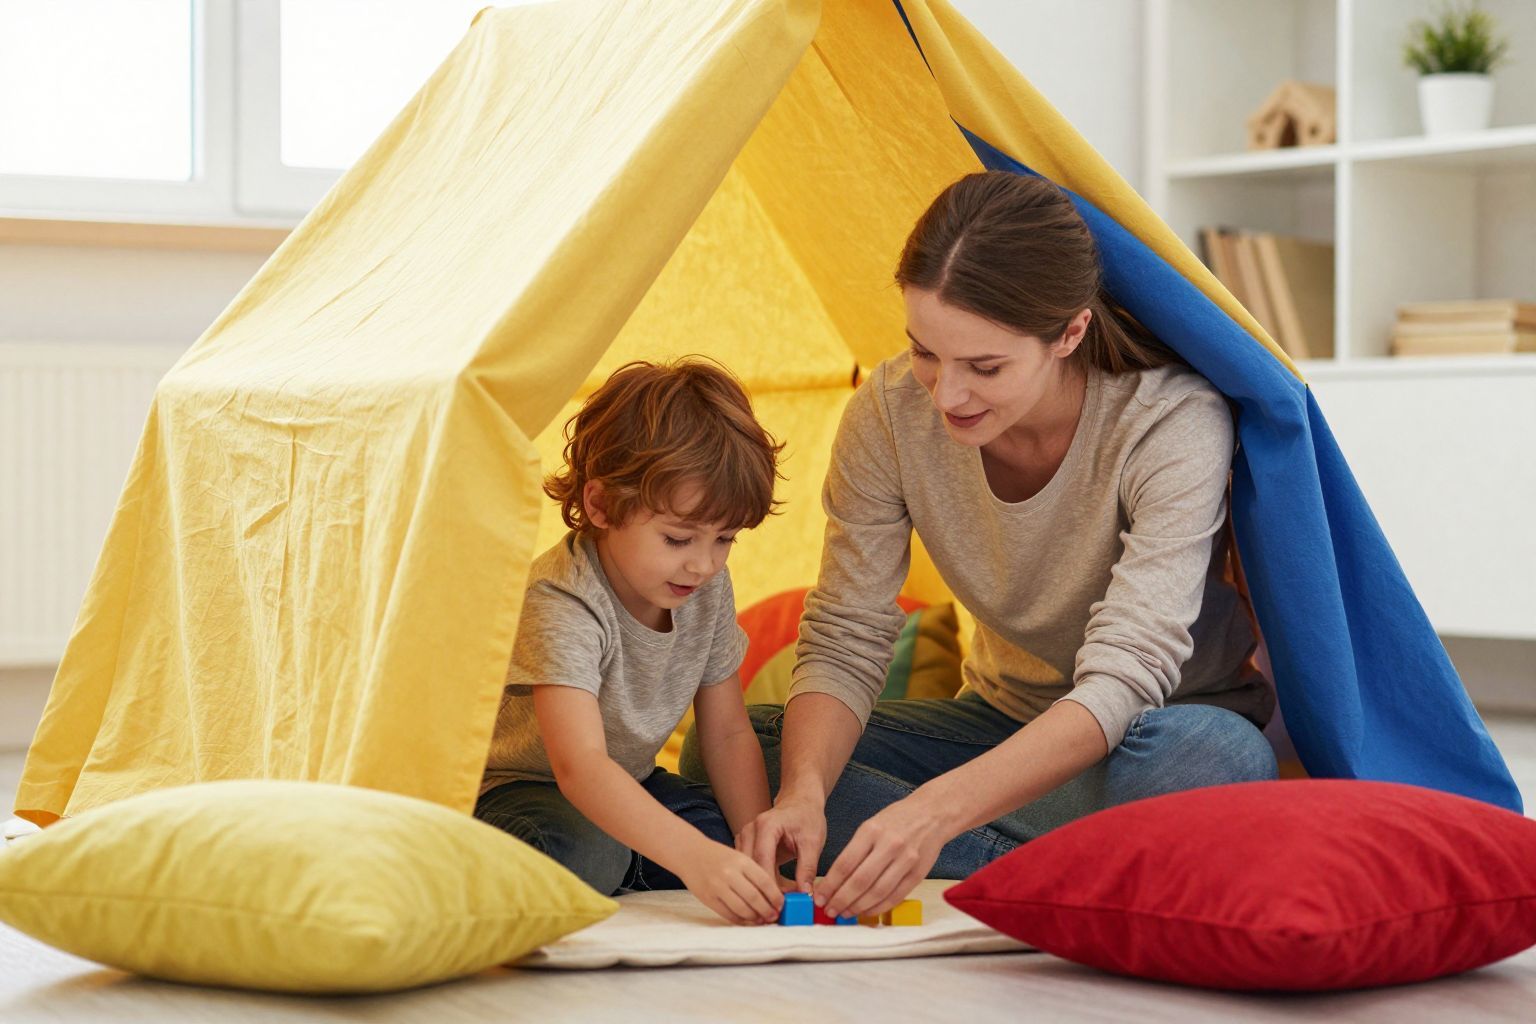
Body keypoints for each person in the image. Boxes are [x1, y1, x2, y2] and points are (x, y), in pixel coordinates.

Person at [688, 171, 1278, 922]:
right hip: (998, 725)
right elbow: (846, 638)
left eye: (985, 367)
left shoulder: (1169, 422)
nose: (947, 395)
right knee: (734, 753)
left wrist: (932, 814)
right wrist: (805, 793)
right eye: (926, 352)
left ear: (1070, 333)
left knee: (1217, 763)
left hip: (1152, 732)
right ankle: (1068, 875)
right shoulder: (888, 414)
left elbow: (1126, 675)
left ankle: (962, 864)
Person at [476, 358, 786, 925]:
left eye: (725, 539)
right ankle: (604, 862)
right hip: (522, 792)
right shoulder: (561, 600)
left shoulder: (703, 585)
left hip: (629, 784)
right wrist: (695, 861)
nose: (703, 563)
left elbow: (727, 729)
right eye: (677, 538)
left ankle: (635, 859)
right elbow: (581, 767)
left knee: (719, 833)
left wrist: (755, 848)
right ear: (599, 506)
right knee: (589, 848)